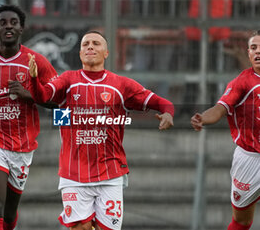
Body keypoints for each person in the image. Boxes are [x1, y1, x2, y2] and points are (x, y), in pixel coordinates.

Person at [27, 31, 174, 230]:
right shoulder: (67, 80)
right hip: (74, 173)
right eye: (86, 44)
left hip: (110, 173)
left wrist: (168, 113)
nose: (90, 47)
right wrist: (35, 79)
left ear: (106, 53)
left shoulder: (121, 85)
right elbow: (43, 96)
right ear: (79, 54)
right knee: (81, 228)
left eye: (96, 43)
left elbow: (160, 102)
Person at [0, 5, 57, 230]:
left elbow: (58, 100)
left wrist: (30, 95)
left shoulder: (36, 61)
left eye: (14, 22)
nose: (8, 26)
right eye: (3, 23)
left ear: (22, 28)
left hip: (22, 145)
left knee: (8, 214)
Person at [191, 30, 260, 230]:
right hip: (249, 159)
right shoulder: (242, 82)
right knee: (242, 221)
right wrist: (203, 118)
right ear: (248, 53)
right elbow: (220, 108)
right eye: (254, 48)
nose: (258, 52)